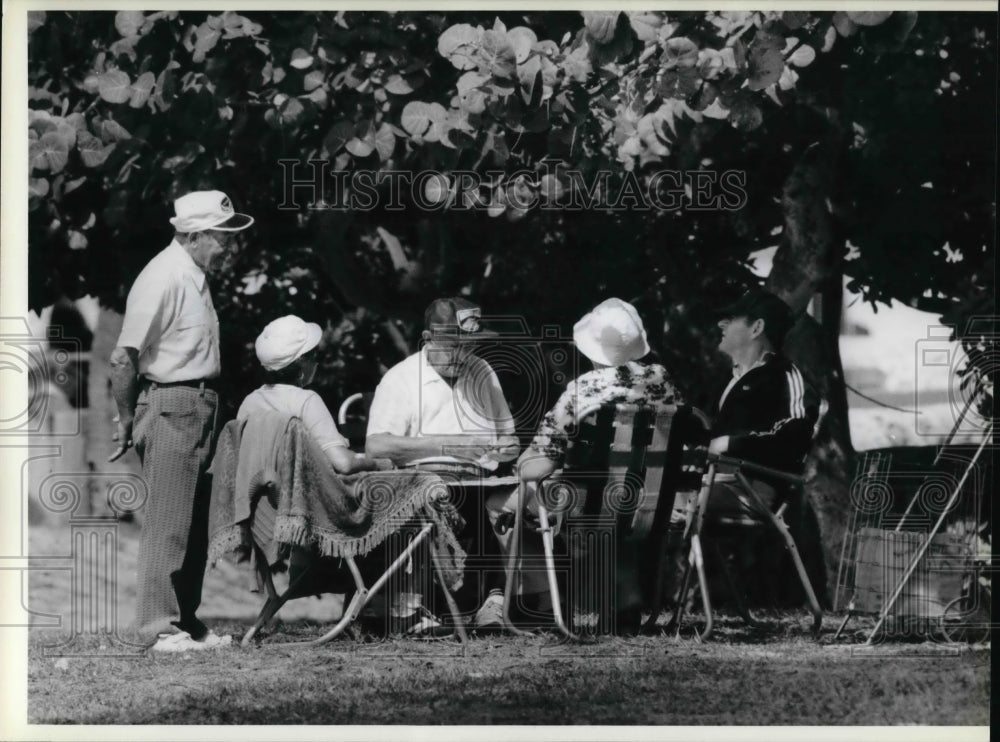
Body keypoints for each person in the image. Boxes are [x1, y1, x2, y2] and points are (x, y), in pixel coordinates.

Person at [108, 190, 253, 652]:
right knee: (169, 521)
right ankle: (156, 627)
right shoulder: (163, 277)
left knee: (195, 523)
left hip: (202, 405)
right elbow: (122, 357)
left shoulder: (192, 274)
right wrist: (126, 418)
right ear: (193, 236)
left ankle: (184, 622)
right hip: (172, 404)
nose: (230, 246)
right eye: (222, 237)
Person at [491, 298, 681, 633]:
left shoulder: (583, 390)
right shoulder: (663, 381)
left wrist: (520, 464)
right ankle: (623, 603)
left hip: (588, 506)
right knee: (608, 514)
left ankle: (542, 606)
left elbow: (538, 465)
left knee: (500, 503)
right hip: (651, 504)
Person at [365, 297, 520, 631]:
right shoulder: (402, 378)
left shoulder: (482, 371)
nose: (461, 356)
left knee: (520, 503)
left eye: (468, 347)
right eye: (452, 347)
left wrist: (504, 448)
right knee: (445, 496)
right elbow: (376, 445)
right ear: (427, 338)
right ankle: (424, 606)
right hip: (424, 482)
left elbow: (510, 439)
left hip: (483, 479)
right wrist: (446, 445)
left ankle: (499, 601)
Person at [238, 315, 387, 474]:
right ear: (302, 362)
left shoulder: (249, 402)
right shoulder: (306, 400)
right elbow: (343, 463)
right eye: (313, 356)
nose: (316, 362)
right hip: (301, 494)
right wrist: (377, 464)